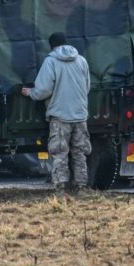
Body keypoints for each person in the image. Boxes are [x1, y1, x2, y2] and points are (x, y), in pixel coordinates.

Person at [22, 32, 91, 192]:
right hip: (80, 115)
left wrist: (31, 93)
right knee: (79, 152)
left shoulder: (51, 62)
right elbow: (86, 87)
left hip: (60, 116)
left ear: (52, 46)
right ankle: (81, 186)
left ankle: (61, 187)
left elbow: (43, 90)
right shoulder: (81, 60)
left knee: (60, 153)